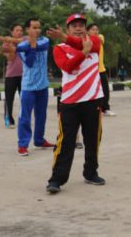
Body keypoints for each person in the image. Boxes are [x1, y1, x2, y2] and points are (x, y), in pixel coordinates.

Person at [45, 14, 106, 194]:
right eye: (74, 26)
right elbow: (68, 67)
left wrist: (83, 47)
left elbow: (82, 44)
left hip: (92, 100)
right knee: (65, 141)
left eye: (81, 25)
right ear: (68, 29)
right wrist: (83, 53)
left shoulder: (94, 41)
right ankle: (56, 178)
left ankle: (90, 172)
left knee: (93, 138)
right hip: (70, 102)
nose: (78, 28)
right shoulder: (59, 48)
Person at [0, 18, 56, 156]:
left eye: (38, 27)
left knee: (41, 115)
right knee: (25, 116)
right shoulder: (22, 47)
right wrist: (29, 47)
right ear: (28, 30)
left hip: (43, 86)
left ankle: (39, 140)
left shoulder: (44, 40)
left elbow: (39, 47)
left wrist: (21, 48)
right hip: (28, 87)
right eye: (34, 28)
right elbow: (29, 62)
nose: (37, 30)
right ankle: (22, 144)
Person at [0, 24, 23, 128]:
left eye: (21, 30)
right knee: (9, 98)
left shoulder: (24, 42)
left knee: (25, 99)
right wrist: (12, 45)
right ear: (12, 32)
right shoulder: (6, 44)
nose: (20, 32)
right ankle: (9, 119)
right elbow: (11, 58)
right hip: (11, 76)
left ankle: (24, 119)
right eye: (17, 30)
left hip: (24, 76)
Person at [87, 24, 115, 116]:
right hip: (91, 71)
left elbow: (99, 39)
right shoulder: (85, 41)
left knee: (105, 90)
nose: (95, 31)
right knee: (92, 91)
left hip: (101, 69)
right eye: (92, 29)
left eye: (96, 29)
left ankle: (105, 109)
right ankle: (93, 110)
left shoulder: (100, 37)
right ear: (88, 31)